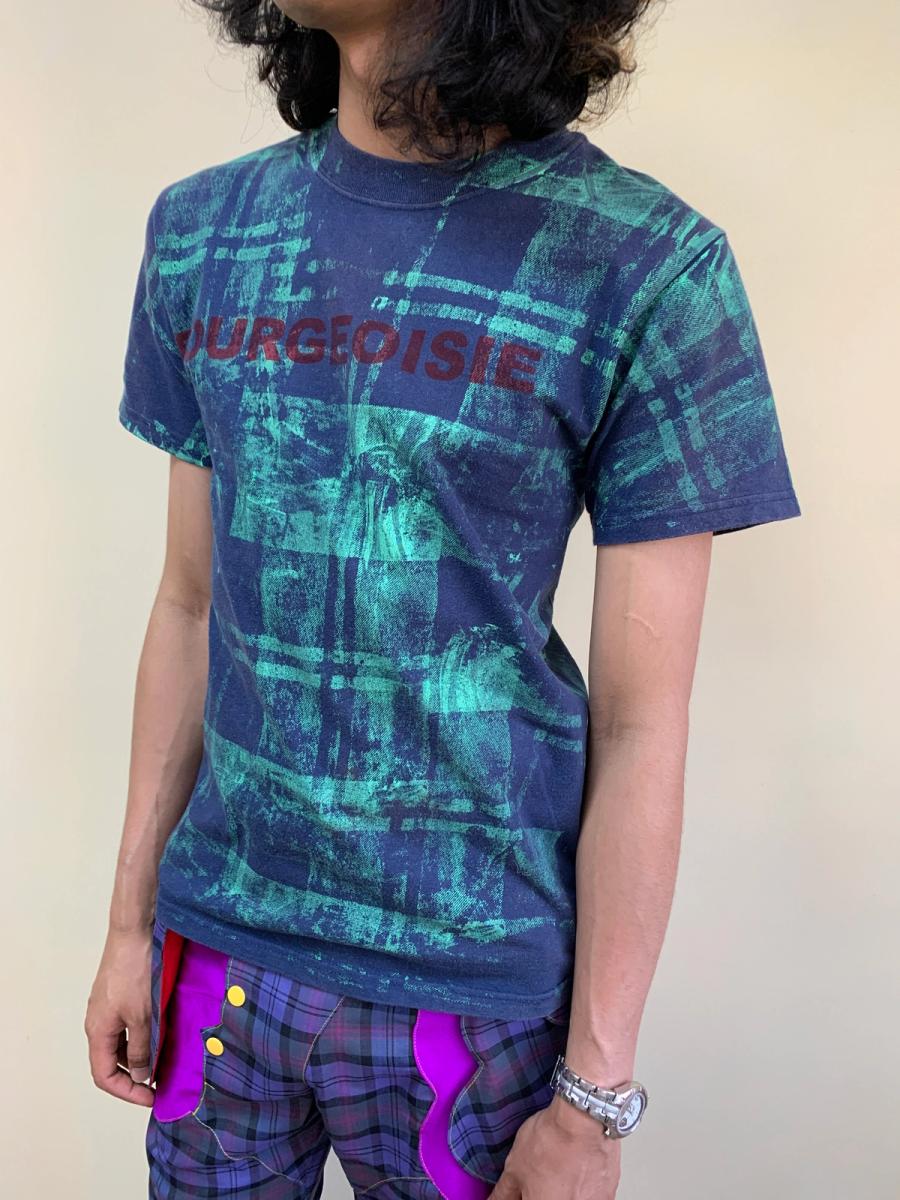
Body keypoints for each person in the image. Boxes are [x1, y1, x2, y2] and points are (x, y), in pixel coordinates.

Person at [84, 1, 802, 1197]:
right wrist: (126, 928)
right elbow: (190, 605)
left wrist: (594, 1101)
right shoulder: (205, 230)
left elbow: (642, 723)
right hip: (220, 959)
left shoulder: (646, 265)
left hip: (473, 1012)